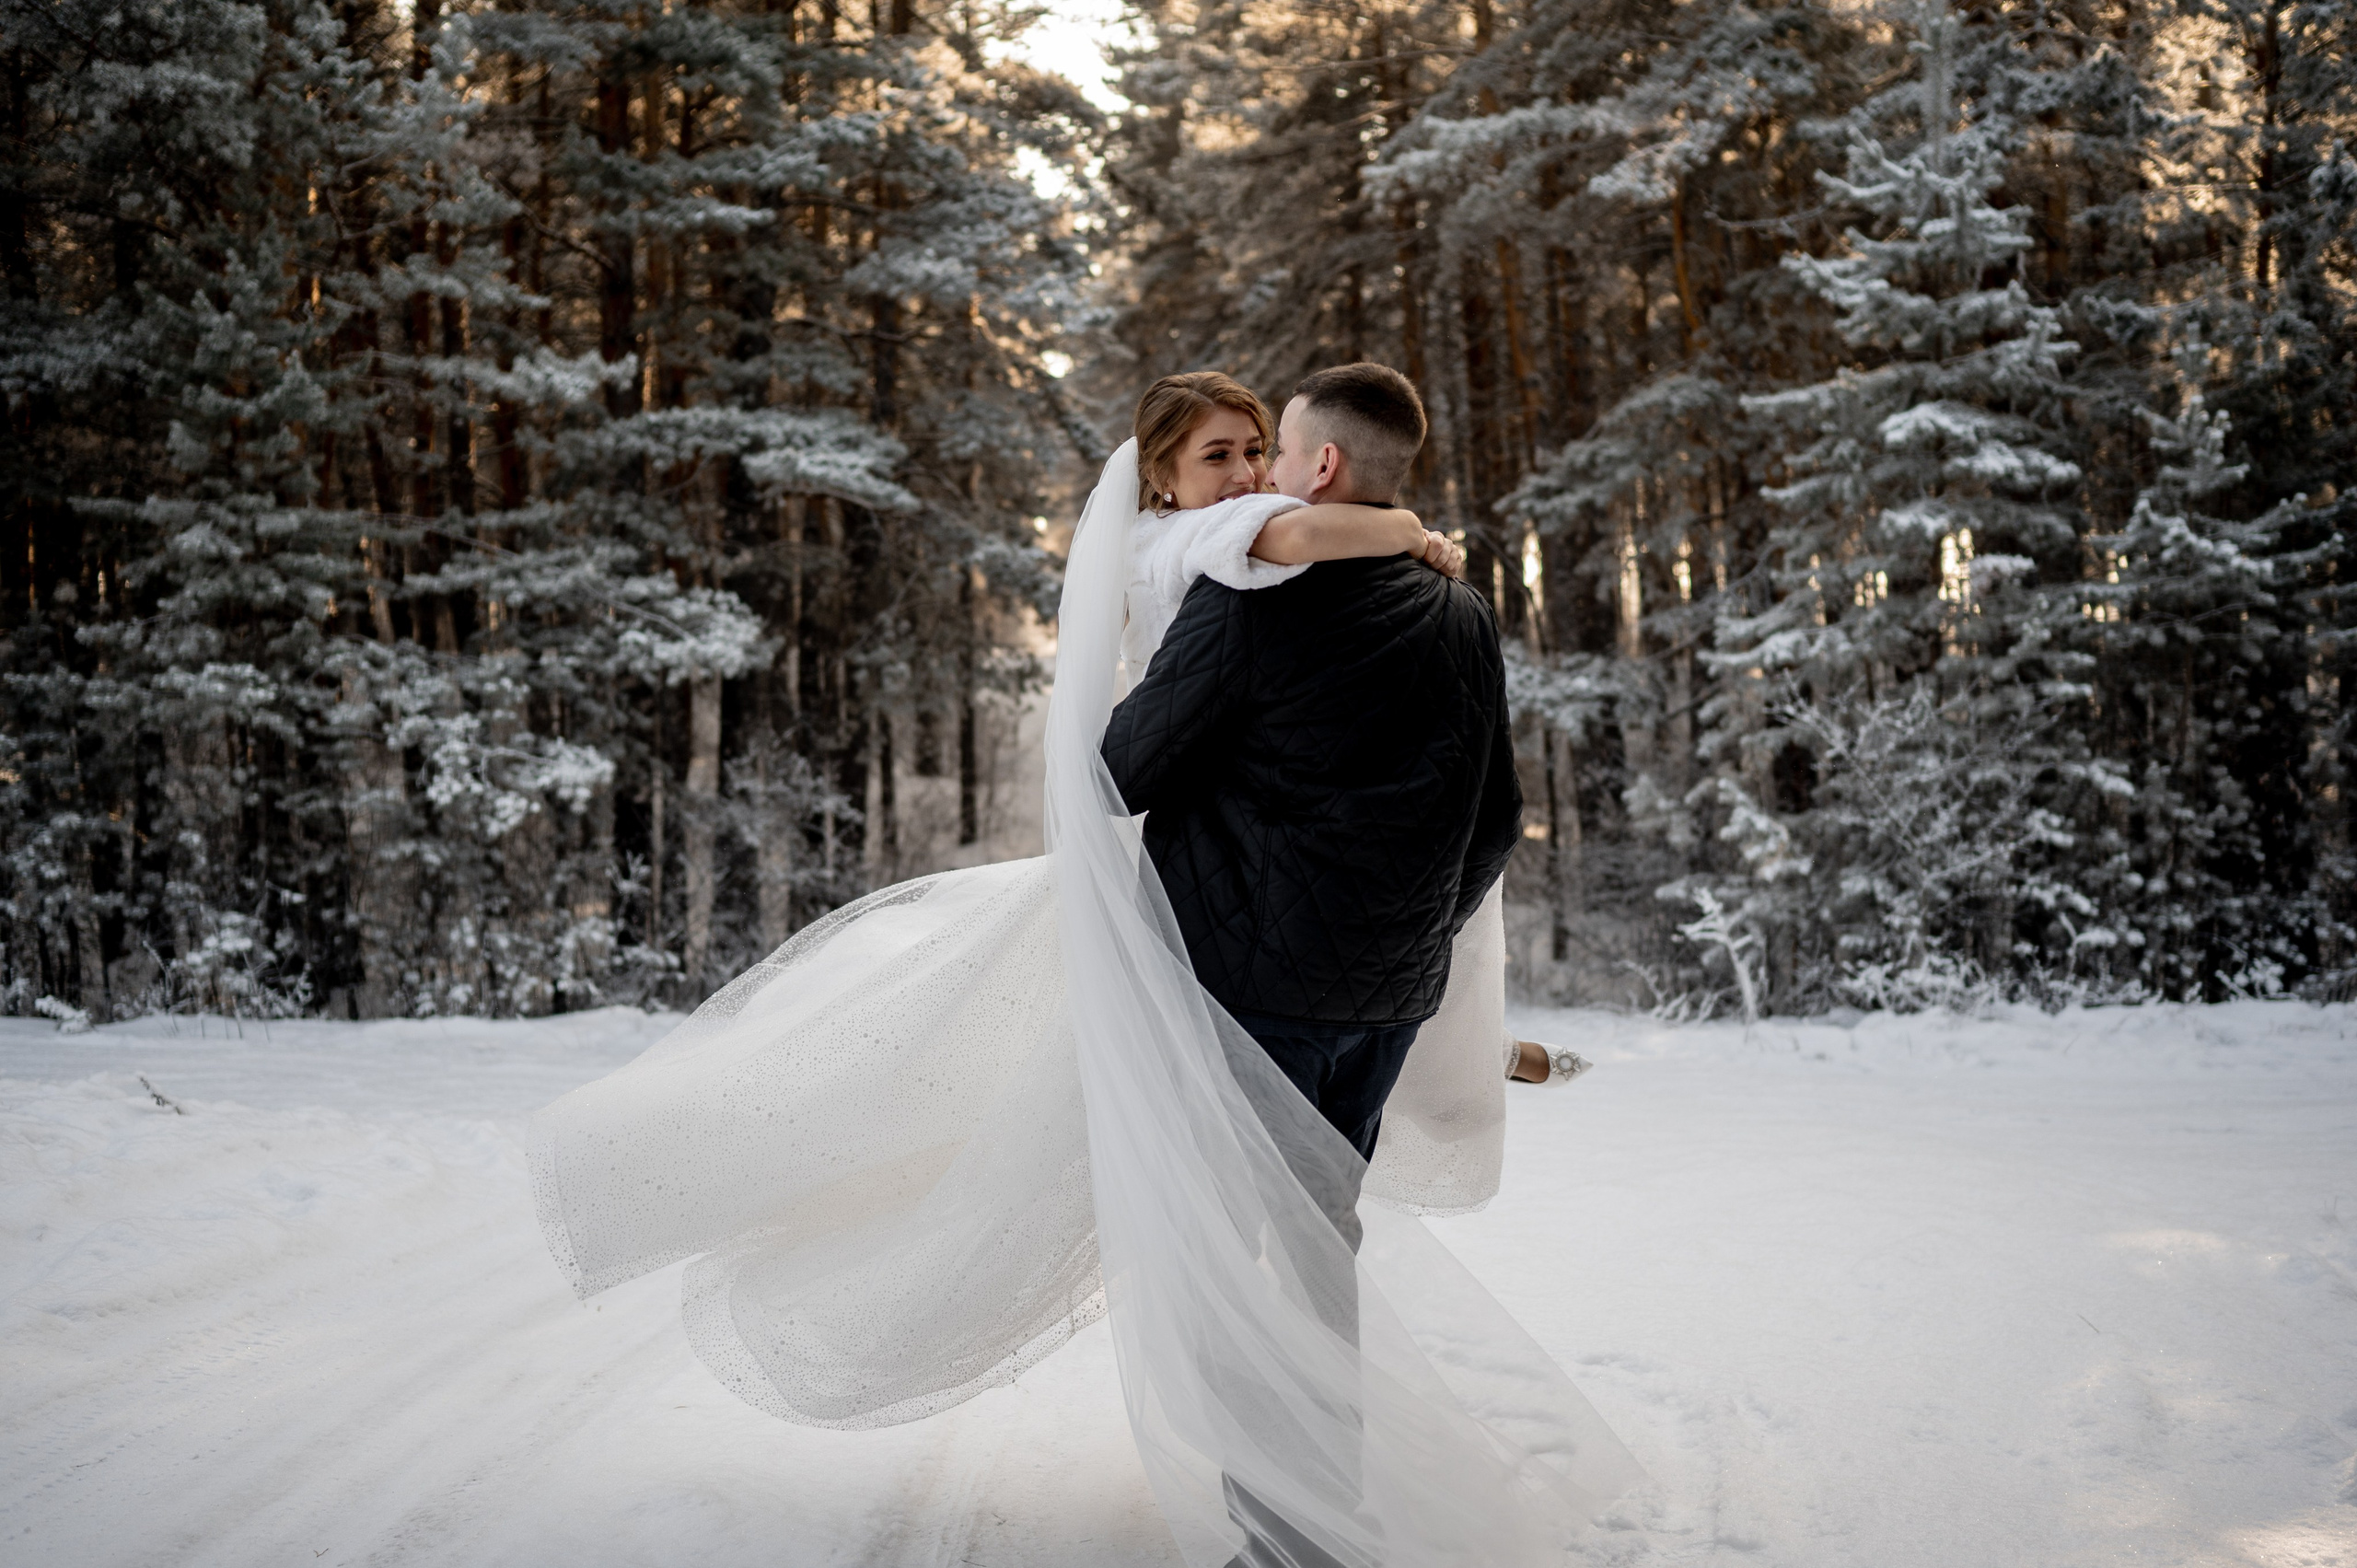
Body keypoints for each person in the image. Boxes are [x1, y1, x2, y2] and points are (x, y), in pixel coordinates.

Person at [528, 369, 1638, 1563]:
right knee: (1317, 1246)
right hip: (1383, 998)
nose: (1255, 472)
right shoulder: (1460, 613)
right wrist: (1408, 938)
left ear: (1316, 467)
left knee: (1225, 1261)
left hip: (1239, 993)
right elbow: (1491, 819)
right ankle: (1312, 1506)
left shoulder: (1246, 599)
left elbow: (1122, 770)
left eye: (1272, 448)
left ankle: (1290, 1530)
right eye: (1227, 456)